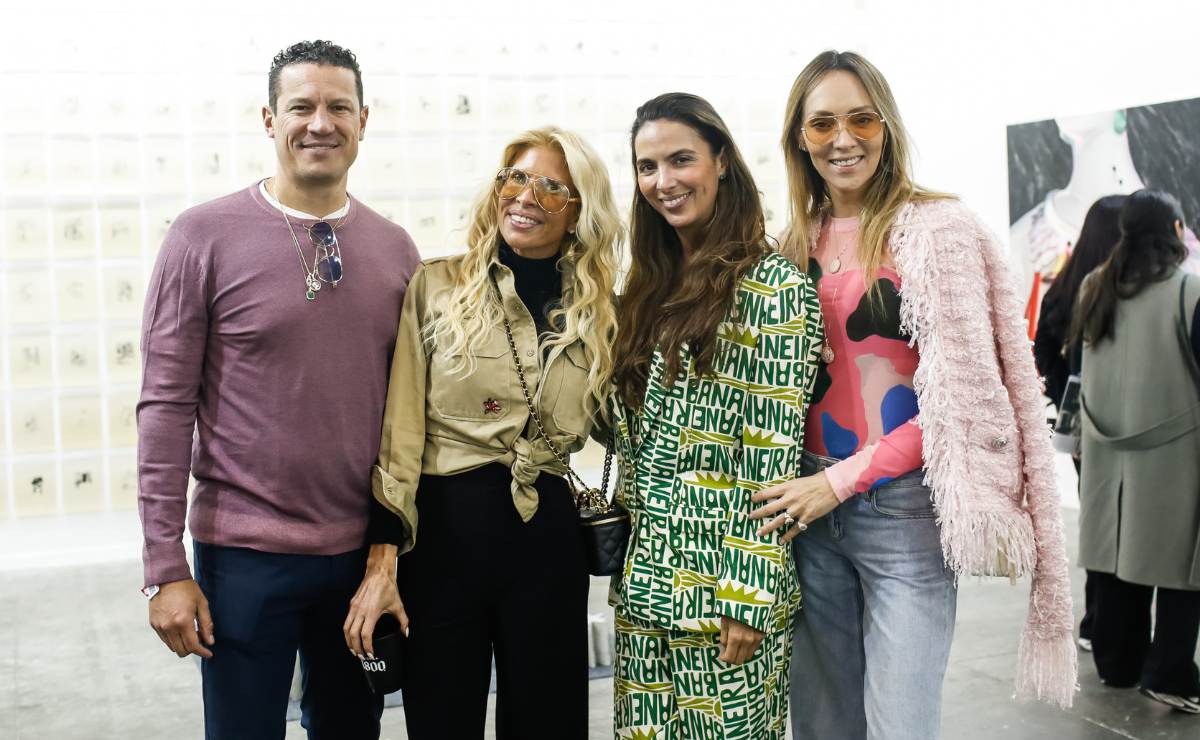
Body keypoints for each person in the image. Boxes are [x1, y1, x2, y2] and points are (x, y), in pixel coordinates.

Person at [749, 50, 1077, 740]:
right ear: (799, 139)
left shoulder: (938, 229)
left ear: (887, 126)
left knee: (901, 723)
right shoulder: (787, 245)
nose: (843, 139)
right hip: (805, 513)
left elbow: (960, 402)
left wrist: (842, 481)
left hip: (902, 517)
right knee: (821, 725)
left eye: (861, 119)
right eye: (822, 124)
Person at [137, 40, 420, 739]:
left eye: (338, 107)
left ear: (363, 121)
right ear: (270, 120)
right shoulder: (201, 237)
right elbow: (165, 407)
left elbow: (409, 414)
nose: (319, 123)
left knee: (352, 730)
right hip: (245, 558)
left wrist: (392, 554)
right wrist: (164, 566)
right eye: (301, 106)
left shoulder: (395, 249)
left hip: (358, 559)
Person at [342, 126, 621, 739]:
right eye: (516, 178)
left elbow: (626, 424)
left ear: (580, 211)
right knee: (443, 719)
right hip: (443, 542)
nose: (527, 196)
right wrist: (382, 559)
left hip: (547, 542)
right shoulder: (438, 286)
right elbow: (401, 432)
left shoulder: (600, 310)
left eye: (553, 186)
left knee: (547, 722)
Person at [608, 92, 823, 740]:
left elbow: (775, 456)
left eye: (680, 160)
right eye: (648, 167)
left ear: (721, 160)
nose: (664, 182)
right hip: (646, 591)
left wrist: (750, 596)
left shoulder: (773, 289)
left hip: (726, 601)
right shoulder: (648, 288)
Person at [1073, 188, 1200, 715]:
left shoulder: (1094, 287)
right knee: (1182, 563)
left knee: (1116, 555)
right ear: (1174, 232)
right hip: (1175, 457)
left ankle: (1119, 664)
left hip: (1106, 454)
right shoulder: (1187, 292)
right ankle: (1171, 673)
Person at [1033, 194, 1126, 652]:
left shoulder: (1065, 286)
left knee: (1098, 519)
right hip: (1119, 425)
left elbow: (1043, 351)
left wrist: (1065, 392)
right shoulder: (1113, 288)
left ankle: (1097, 620)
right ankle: (1112, 624)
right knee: (1126, 524)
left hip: (1081, 426)